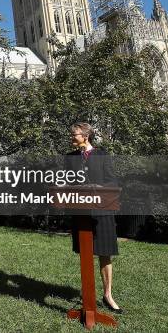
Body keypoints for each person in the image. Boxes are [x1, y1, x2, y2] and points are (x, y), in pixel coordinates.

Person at [65, 122, 122, 314]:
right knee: (85, 252)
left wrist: (96, 187)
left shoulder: (102, 155)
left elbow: (112, 180)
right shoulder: (70, 157)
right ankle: (88, 295)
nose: (71, 137)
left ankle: (107, 295)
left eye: (75, 134)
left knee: (105, 253)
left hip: (102, 211)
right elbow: (66, 181)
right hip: (81, 213)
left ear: (86, 136)